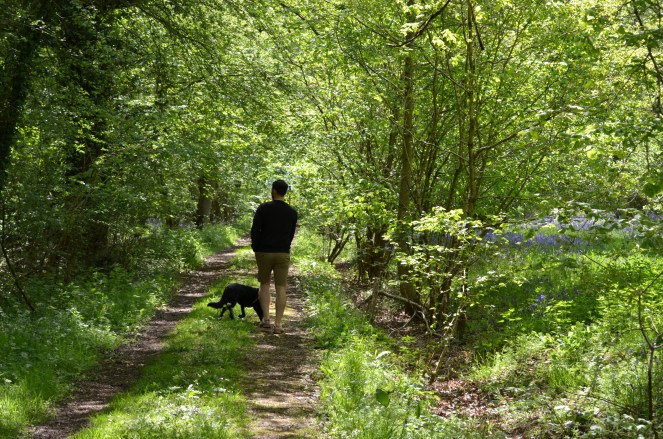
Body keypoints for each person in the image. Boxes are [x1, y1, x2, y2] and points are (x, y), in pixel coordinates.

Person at [250, 179, 298, 334]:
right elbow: (291, 234)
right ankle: (278, 324)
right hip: (283, 252)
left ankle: (266, 320)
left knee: (264, 285)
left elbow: (255, 230)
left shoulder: (263, 208)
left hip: (264, 252)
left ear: (274, 191)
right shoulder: (292, 212)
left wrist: (256, 247)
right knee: (281, 288)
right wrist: (285, 247)